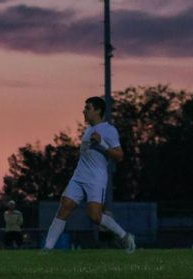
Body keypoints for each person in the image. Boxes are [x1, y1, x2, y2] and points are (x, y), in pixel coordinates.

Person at [42, 97, 135, 253]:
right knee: (65, 206)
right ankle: (47, 248)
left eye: (88, 108)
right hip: (79, 177)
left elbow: (119, 156)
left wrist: (103, 144)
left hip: (96, 179)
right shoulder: (88, 130)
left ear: (98, 110)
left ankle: (125, 236)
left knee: (95, 216)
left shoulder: (109, 130)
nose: (84, 111)